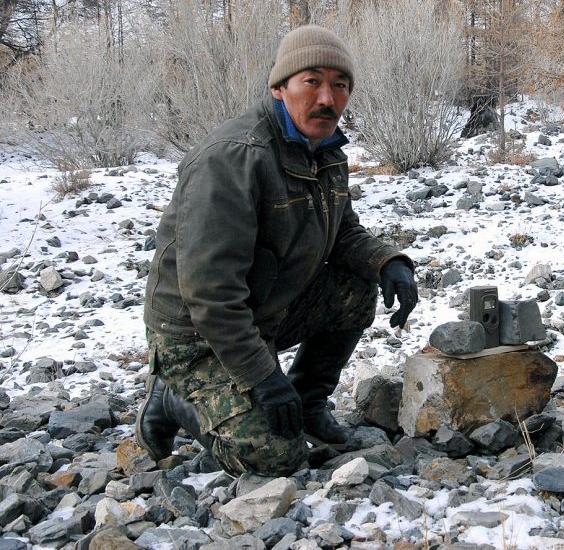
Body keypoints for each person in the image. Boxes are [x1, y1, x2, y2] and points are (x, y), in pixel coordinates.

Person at [135, 25, 418, 477]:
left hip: (266, 310)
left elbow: (343, 234)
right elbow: (209, 294)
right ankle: (171, 398)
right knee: (274, 456)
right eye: (313, 81)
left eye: (340, 85)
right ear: (279, 86)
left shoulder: (323, 150)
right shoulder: (231, 158)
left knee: (356, 282)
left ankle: (306, 400)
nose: (327, 98)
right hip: (196, 335)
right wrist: (262, 378)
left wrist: (389, 262)